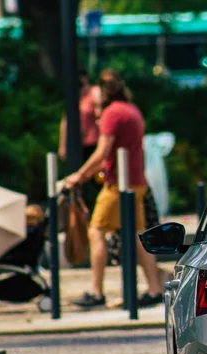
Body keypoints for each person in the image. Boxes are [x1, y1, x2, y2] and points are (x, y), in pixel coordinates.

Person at [64, 68, 164, 308]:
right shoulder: (132, 110)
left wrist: (78, 176)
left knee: (96, 231)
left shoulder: (112, 113)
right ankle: (154, 289)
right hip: (135, 182)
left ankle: (96, 292)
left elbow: (102, 152)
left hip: (118, 184)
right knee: (139, 236)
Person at [59, 66, 103, 212]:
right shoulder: (75, 96)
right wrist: (63, 145)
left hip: (94, 144)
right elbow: (65, 120)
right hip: (78, 147)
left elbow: (101, 112)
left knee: (97, 181)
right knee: (78, 185)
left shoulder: (93, 92)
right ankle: (83, 216)